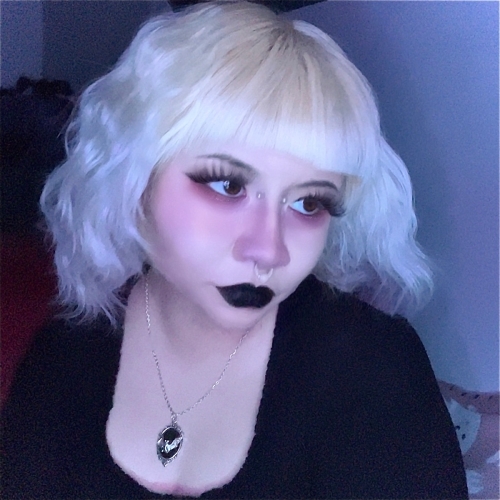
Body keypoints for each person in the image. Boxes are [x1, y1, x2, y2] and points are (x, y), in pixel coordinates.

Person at [1, 2, 468, 498]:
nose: (268, 250)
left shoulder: (375, 367)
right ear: (136, 180)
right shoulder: (64, 351)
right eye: (228, 186)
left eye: (309, 202)